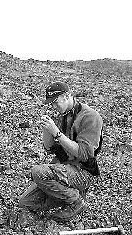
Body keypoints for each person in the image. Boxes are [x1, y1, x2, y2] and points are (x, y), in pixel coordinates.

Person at [18, 81, 103, 221]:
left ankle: (75, 201)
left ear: (67, 96)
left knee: (38, 172)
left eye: (56, 102)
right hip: (64, 167)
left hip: (83, 171)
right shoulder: (62, 116)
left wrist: (56, 132)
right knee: (26, 202)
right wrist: (47, 130)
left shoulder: (90, 117)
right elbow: (49, 148)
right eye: (51, 103)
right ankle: (67, 196)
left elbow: (84, 154)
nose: (54, 106)